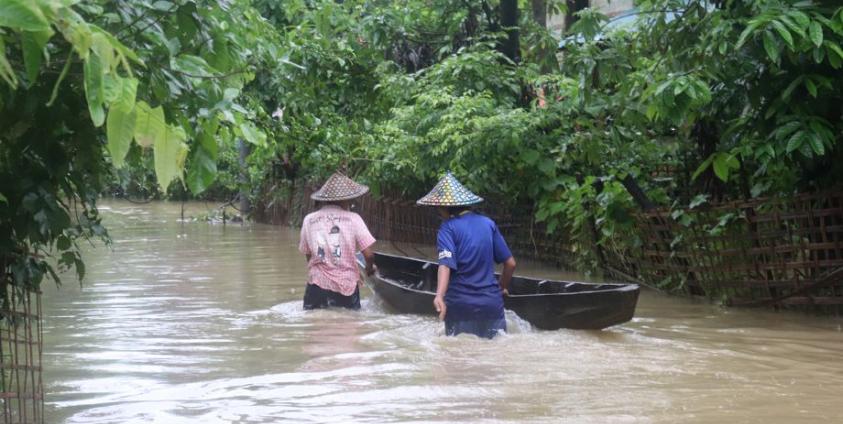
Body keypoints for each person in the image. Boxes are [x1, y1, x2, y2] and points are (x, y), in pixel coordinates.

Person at [417, 172, 517, 339]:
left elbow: (445, 264)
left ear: (444, 208)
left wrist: (439, 295)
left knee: (459, 361)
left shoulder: (447, 228)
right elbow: (511, 264)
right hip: (491, 305)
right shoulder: (488, 223)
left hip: (461, 306)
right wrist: (500, 288)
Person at [299, 172, 377, 310]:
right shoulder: (354, 219)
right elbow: (369, 256)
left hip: (316, 286)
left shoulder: (309, 220)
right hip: (346, 285)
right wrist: (369, 269)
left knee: (314, 326)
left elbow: (308, 254)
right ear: (345, 200)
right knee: (348, 325)